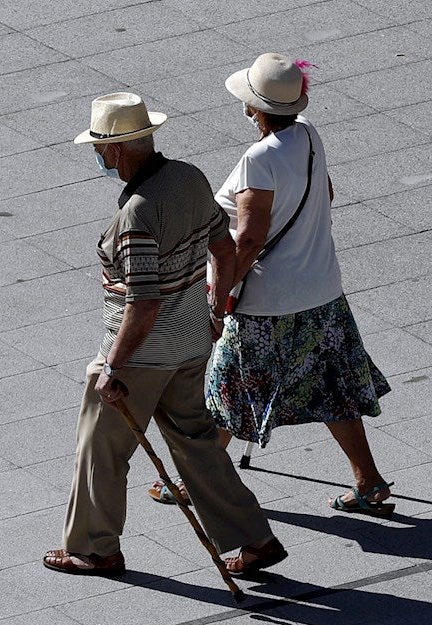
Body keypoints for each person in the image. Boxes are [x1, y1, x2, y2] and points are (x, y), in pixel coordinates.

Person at [44, 92, 286, 577]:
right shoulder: (190, 178)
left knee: (100, 448)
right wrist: (213, 310)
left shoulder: (135, 215)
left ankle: (94, 547)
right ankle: (254, 538)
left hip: (142, 355)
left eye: (99, 147)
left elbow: (143, 300)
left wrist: (113, 366)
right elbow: (222, 247)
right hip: (192, 343)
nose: (98, 155)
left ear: (116, 150)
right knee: (196, 443)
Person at [147, 53, 394, 516]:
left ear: (252, 109)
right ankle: (370, 482)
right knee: (332, 387)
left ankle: (192, 480)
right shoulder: (309, 136)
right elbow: (326, 193)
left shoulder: (258, 159)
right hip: (321, 290)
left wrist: (219, 298)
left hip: (266, 302)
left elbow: (250, 239)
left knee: (227, 392)